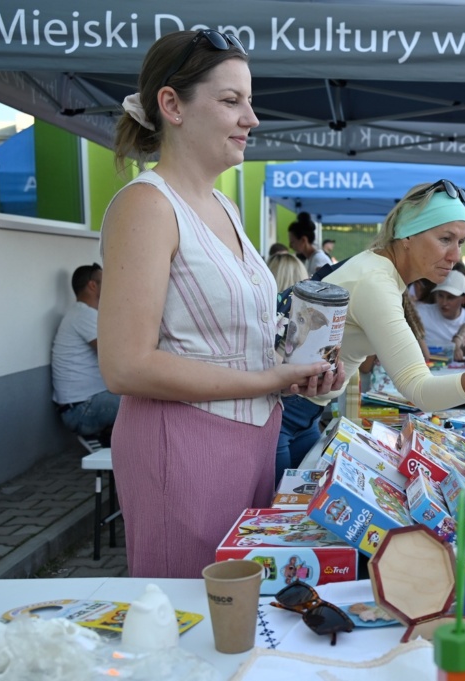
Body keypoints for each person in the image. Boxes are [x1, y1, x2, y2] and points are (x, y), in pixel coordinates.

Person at [98, 29, 343, 579]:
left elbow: (235, 340)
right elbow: (124, 365)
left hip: (253, 440)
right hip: (183, 447)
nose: (251, 118)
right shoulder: (147, 206)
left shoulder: (224, 207)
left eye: (248, 101)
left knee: (238, 609)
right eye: (232, 101)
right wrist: (270, 379)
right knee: (193, 609)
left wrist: (299, 369)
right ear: (172, 105)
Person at [278, 179, 465, 464]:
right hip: (283, 414)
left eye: (460, 242)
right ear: (407, 236)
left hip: (301, 413)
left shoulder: (377, 268)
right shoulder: (376, 282)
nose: (455, 256)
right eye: (445, 239)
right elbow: (421, 391)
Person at [51, 263, 121, 443]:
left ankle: (117, 442)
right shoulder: (83, 315)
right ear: (92, 285)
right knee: (143, 402)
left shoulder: (84, 314)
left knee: (141, 398)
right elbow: (117, 356)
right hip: (81, 410)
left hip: (84, 404)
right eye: (106, 280)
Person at [417, 269, 465, 347]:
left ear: (464, 299)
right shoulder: (420, 313)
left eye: (450, 297)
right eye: (440, 295)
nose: (444, 303)